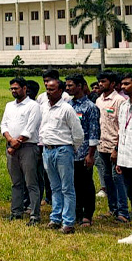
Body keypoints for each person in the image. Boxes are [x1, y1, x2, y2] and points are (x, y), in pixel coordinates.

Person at [39, 79, 84, 233]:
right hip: (48, 150)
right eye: (47, 89)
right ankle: (55, 218)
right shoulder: (44, 107)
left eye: (52, 89)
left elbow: (78, 134)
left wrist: (71, 149)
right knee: (54, 187)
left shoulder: (66, 109)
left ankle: (68, 222)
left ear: (60, 91)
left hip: (63, 150)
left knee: (67, 188)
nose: (48, 92)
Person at [0, 77, 42, 224]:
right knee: (16, 182)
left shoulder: (33, 106)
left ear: (24, 89)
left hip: (27, 147)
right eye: (11, 88)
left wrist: (15, 143)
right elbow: (3, 124)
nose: (13, 91)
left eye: (16, 88)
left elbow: (30, 129)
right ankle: (16, 211)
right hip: (11, 146)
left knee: (31, 182)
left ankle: (34, 214)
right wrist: (9, 140)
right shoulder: (9, 105)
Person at [63, 74, 99, 226]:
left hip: (84, 154)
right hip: (69, 152)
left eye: (70, 85)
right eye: (67, 85)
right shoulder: (68, 105)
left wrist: (90, 155)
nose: (67, 88)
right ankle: (76, 212)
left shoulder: (90, 107)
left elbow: (94, 132)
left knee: (86, 185)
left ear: (80, 86)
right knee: (72, 185)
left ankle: (87, 215)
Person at [96, 71, 130, 222]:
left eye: (104, 81)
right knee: (107, 178)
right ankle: (113, 209)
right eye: (99, 82)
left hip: (116, 147)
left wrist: (116, 149)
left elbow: (121, 128)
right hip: (102, 145)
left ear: (112, 83)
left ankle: (123, 212)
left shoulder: (119, 101)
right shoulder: (98, 100)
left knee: (119, 180)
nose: (100, 84)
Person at [116, 73, 132, 244]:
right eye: (122, 84)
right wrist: (120, 159)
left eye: (127, 84)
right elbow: (122, 133)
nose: (123, 87)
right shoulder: (124, 106)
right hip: (127, 160)